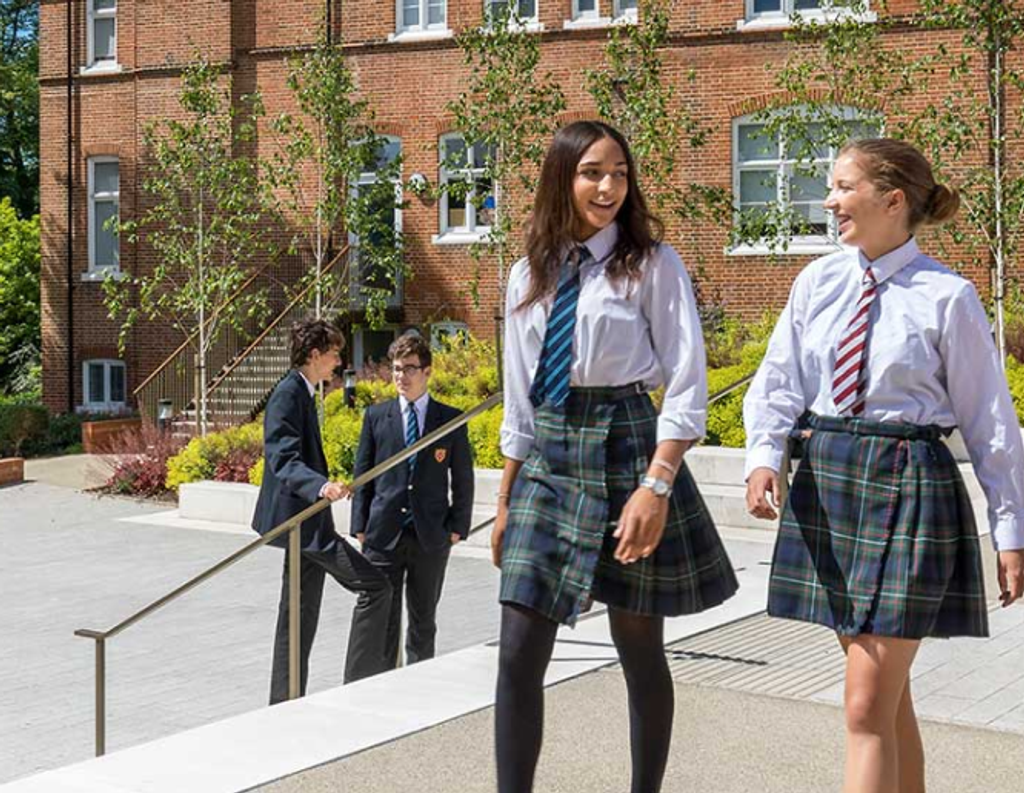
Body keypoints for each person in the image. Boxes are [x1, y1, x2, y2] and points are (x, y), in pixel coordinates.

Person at [743, 138, 1024, 793]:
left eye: (843, 186)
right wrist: (763, 455)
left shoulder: (946, 296)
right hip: (829, 482)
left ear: (892, 200)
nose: (830, 199)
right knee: (886, 701)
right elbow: (779, 377)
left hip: (909, 487)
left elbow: (990, 421)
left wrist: (1011, 530)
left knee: (867, 703)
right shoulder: (818, 280)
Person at [491, 120, 739, 793]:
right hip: (549, 453)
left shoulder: (652, 264)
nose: (608, 187)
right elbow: (519, 396)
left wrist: (656, 485)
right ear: (561, 178)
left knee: (639, 647)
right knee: (516, 650)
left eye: (619, 174)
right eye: (592, 172)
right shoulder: (528, 273)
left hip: (629, 442)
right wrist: (506, 498)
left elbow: (687, 380)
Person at [253, 318, 392, 704]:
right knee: (375, 586)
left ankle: (283, 704)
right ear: (314, 355)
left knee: (298, 615)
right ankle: (358, 685)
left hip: (308, 524)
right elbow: (282, 457)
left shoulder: (303, 391)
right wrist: (321, 485)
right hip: (302, 524)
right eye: (333, 354)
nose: (338, 362)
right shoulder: (288, 394)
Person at [350, 332, 474, 668]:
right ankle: (384, 684)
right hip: (382, 534)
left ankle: (420, 683)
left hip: (430, 536)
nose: (401, 376)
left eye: (409, 368)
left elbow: (463, 478)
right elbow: (364, 473)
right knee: (383, 620)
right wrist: (359, 526)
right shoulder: (377, 417)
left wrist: (457, 527)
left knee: (423, 621)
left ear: (427, 372)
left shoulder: (449, 420)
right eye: (395, 369)